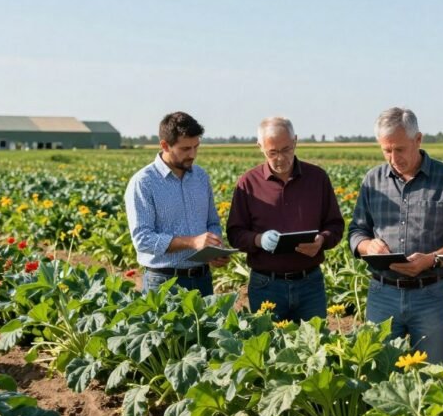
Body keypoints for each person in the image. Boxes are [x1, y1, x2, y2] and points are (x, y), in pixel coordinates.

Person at [349, 107, 443, 364]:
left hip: (430, 294)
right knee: (379, 372)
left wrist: (431, 259)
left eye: (400, 149)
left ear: (418, 140)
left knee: (432, 373)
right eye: (386, 150)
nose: (393, 158)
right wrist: (368, 245)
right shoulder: (373, 180)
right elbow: (356, 231)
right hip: (382, 293)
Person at [227, 117, 345, 321]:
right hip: (266, 285)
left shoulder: (317, 178)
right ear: (260, 147)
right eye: (272, 152)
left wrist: (322, 240)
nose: (280, 158)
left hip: (310, 283)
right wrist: (258, 240)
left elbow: (335, 225)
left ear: (295, 142)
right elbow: (235, 233)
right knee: (269, 347)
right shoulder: (248, 183)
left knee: (313, 347)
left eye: (286, 149)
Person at [125, 111, 229, 294]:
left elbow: (212, 222)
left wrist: (214, 248)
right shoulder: (144, 182)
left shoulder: (201, 177)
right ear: (165, 145)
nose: (193, 154)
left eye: (196, 147)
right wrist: (191, 242)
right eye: (185, 149)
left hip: (202, 280)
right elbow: (142, 239)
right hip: (164, 283)